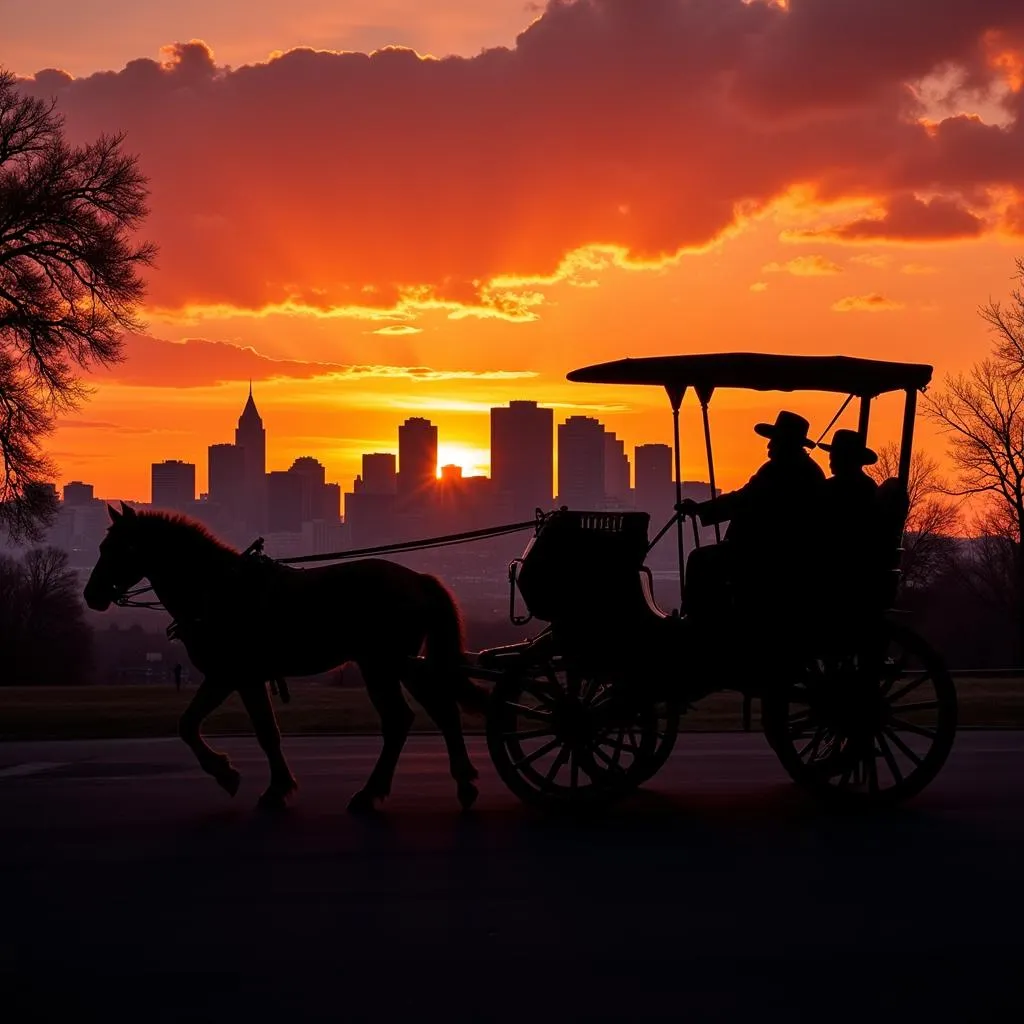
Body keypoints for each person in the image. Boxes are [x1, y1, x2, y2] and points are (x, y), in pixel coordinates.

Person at [678, 410, 826, 619]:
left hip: (766, 554)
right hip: (789, 554)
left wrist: (701, 509)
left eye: (774, 440)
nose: (769, 446)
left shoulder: (779, 470)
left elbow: (742, 499)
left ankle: (695, 620)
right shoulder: (809, 471)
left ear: (785, 442)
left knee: (699, 559)